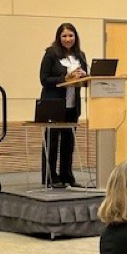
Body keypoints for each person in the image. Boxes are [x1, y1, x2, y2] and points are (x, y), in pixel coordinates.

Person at [39, 22, 88, 188]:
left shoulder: (80, 55)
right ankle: (50, 176)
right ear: (59, 38)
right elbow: (44, 79)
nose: (68, 39)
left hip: (72, 105)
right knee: (52, 142)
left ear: (76, 37)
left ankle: (67, 175)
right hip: (54, 104)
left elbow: (86, 82)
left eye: (71, 35)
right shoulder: (51, 54)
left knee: (69, 141)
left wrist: (84, 75)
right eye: (65, 36)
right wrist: (64, 79)